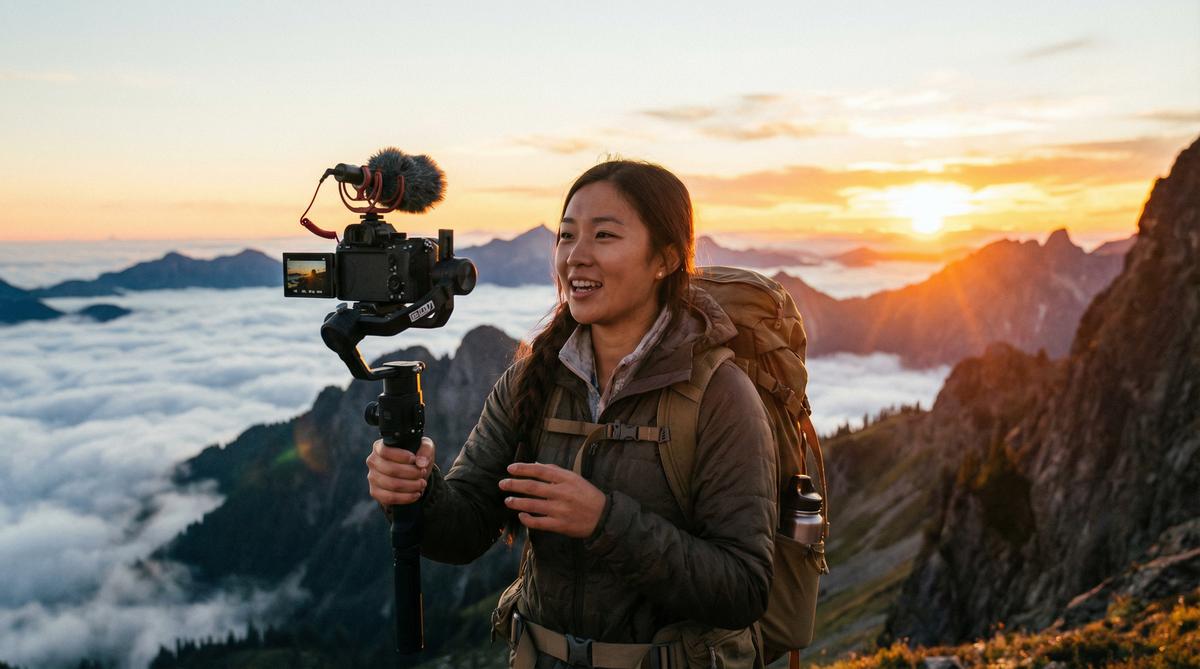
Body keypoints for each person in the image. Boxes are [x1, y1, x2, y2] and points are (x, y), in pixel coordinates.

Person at [365, 160, 777, 668]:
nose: (575, 257)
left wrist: (604, 522)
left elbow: (743, 589)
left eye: (605, 235)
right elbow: (465, 528)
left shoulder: (719, 395)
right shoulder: (532, 378)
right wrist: (415, 491)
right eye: (565, 236)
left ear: (665, 259)